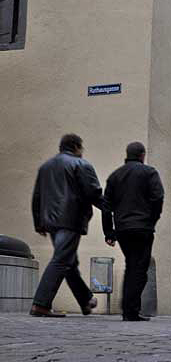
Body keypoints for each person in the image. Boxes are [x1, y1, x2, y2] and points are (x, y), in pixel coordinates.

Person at [30, 134, 104, 317]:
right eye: (82, 148)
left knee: (69, 261)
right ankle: (41, 304)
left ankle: (85, 300)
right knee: (62, 260)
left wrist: (38, 222)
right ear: (77, 147)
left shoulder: (45, 167)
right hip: (71, 220)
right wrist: (112, 208)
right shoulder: (81, 165)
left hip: (51, 222)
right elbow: (92, 192)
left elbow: (37, 196)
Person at [102, 142, 164, 322]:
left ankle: (129, 308)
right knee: (139, 269)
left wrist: (109, 232)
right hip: (143, 227)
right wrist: (152, 220)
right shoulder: (149, 173)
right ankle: (130, 310)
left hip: (123, 229)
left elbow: (106, 207)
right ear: (142, 155)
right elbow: (158, 197)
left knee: (132, 266)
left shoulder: (115, 176)